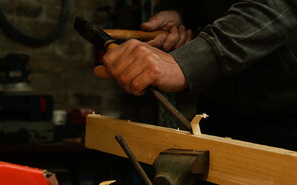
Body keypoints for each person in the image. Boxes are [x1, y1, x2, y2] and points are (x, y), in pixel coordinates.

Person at [94, 0, 297, 150]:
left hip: (283, 109)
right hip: (217, 106)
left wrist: (187, 62)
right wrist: (182, 13)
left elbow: (278, 5)